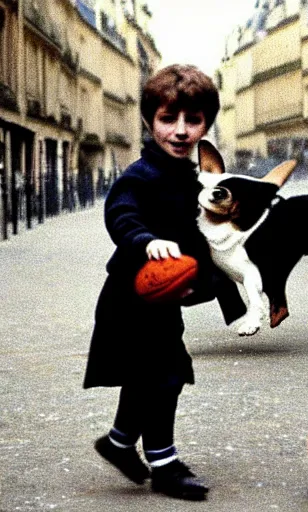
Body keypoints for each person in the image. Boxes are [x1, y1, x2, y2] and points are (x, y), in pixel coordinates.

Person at [83, 64, 246, 501]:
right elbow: (120, 213)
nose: (180, 131)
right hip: (130, 296)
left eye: (192, 121)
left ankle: (119, 443)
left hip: (164, 298)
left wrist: (225, 292)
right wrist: (145, 240)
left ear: (206, 125)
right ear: (149, 120)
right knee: (165, 376)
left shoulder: (198, 182)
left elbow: (209, 243)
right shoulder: (140, 175)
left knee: (147, 377)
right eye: (168, 119)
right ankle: (164, 463)